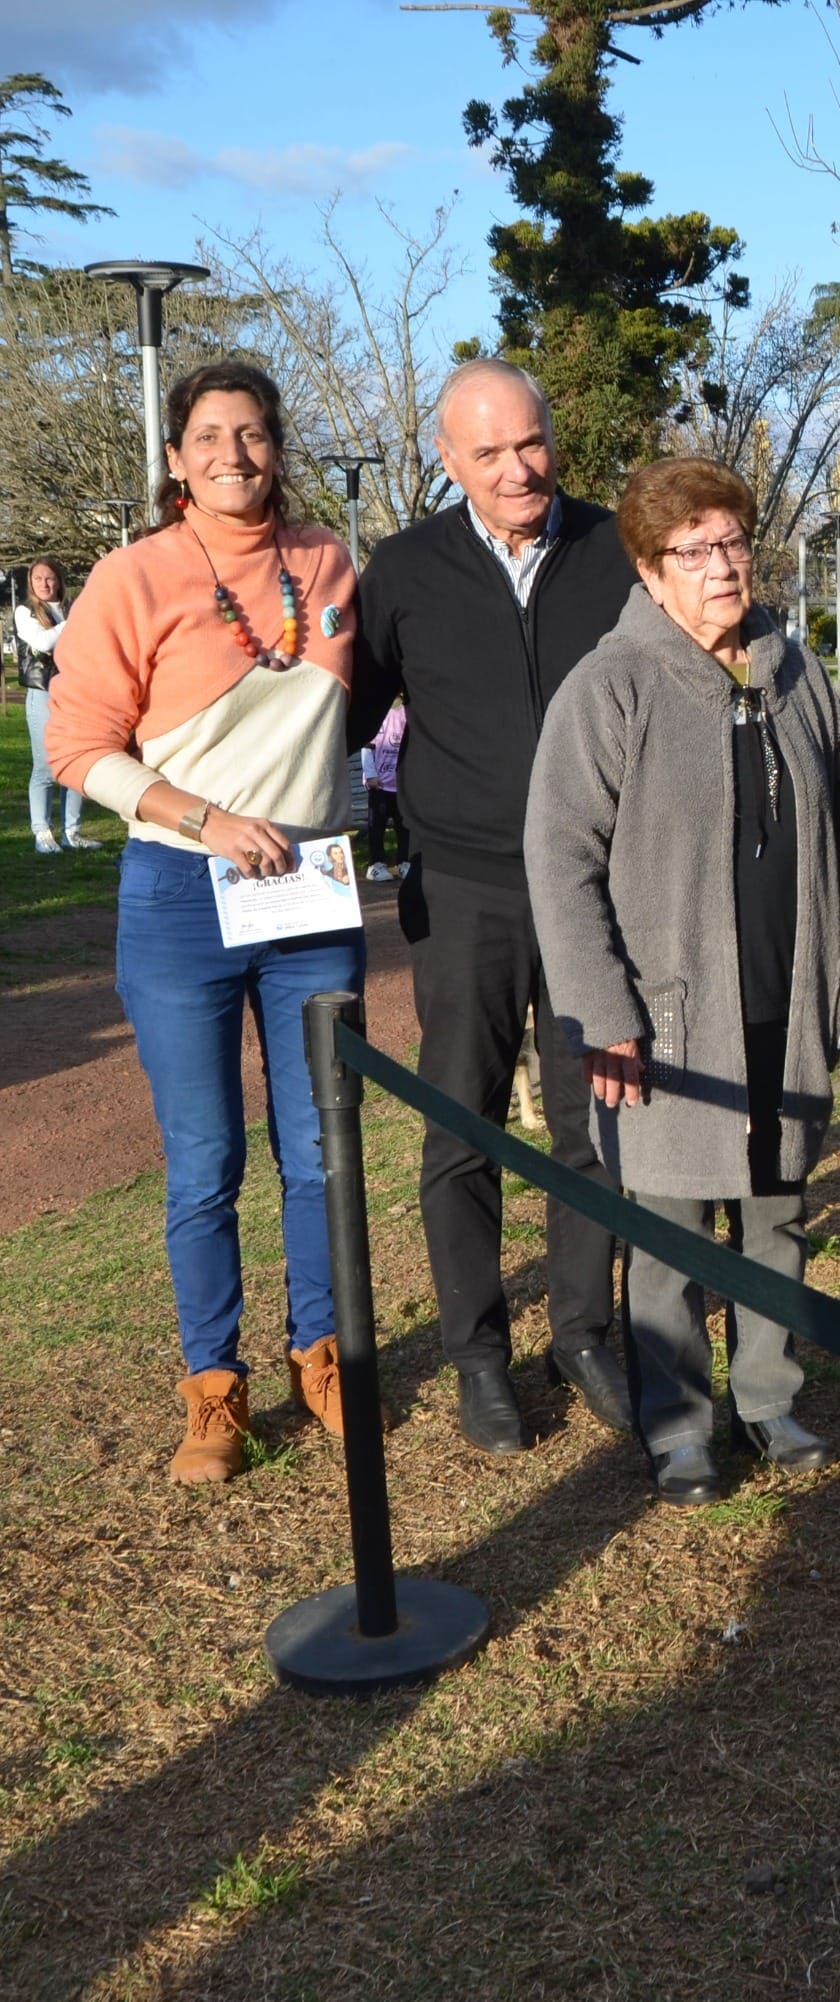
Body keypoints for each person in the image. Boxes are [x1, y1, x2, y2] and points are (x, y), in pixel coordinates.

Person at [40, 361, 363, 1482]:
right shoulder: (132, 576)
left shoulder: (327, 561)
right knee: (205, 1158)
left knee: (321, 1148)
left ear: (279, 448)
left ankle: (323, 1354)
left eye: (255, 432)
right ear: (176, 458)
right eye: (211, 435)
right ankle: (213, 1391)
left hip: (312, 892)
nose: (235, 452)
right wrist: (207, 817)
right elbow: (76, 747)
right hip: (181, 893)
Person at [527, 458, 840, 1504]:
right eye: (696, 550)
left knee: (775, 1214)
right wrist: (606, 1015)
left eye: (733, 544)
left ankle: (767, 1398)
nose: (723, 567)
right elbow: (559, 859)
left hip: (785, 1000)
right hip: (666, 1021)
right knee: (671, 1234)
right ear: (649, 566)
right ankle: (678, 1426)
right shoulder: (610, 685)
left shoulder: (797, 673)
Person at [350, 359, 638, 1454]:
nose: (518, 468)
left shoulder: (616, 549)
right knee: (461, 1123)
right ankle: (480, 1352)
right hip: (462, 885)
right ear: (448, 460)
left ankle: (584, 1330)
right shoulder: (406, 568)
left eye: (532, 442)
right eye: (489, 453)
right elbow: (346, 715)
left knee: (591, 1124)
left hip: (594, 885)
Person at [15, 558, 101, 853]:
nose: (44, 584)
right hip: (42, 695)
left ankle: (72, 832)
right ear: (31, 582)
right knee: (44, 767)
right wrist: (74, 621)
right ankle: (42, 832)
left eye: (49, 578)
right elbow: (44, 641)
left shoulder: (68, 609)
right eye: (38, 579)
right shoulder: (25, 612)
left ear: (59, 580)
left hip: (74, 693)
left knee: (74, 763)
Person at [361, 701, 408, 880]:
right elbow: (367, 746)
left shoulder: (407, 713)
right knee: (377, 826)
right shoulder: (376, 712)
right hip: (379, 785)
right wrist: (370, 774)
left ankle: (404, 862)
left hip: (401, 785)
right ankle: (376, 864)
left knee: (404, 826)